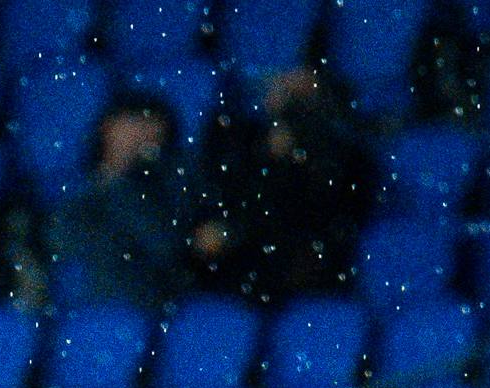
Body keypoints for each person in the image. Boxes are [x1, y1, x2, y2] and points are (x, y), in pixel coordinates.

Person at [189, 69, 378, 305]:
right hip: (241, 270)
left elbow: (323, 213)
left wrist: (288, 159)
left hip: (306, 272)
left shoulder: (341, 152)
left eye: (295, 90)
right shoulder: (237, 141)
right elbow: (224, 202)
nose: (281, 92)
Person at [48, 92, 190, 308]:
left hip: (135, 310)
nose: (141, 139)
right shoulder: (66, 190)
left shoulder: (166, 196)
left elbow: (163, 250)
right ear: (107, 127)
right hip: (73, 307)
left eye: (151, 133)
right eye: (135, 125)